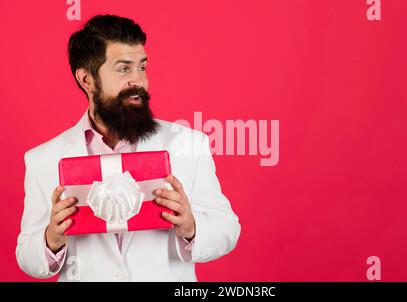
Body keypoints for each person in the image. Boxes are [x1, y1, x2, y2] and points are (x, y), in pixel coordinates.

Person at [16, 14, 240, 282]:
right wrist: (51, 238)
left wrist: (191, 226)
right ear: (87, 80)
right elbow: (26, 255)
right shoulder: (43, 160)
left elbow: (228, 229)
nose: (139, 81)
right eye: (124, 69)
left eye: (142, 67)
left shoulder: (189, 145)